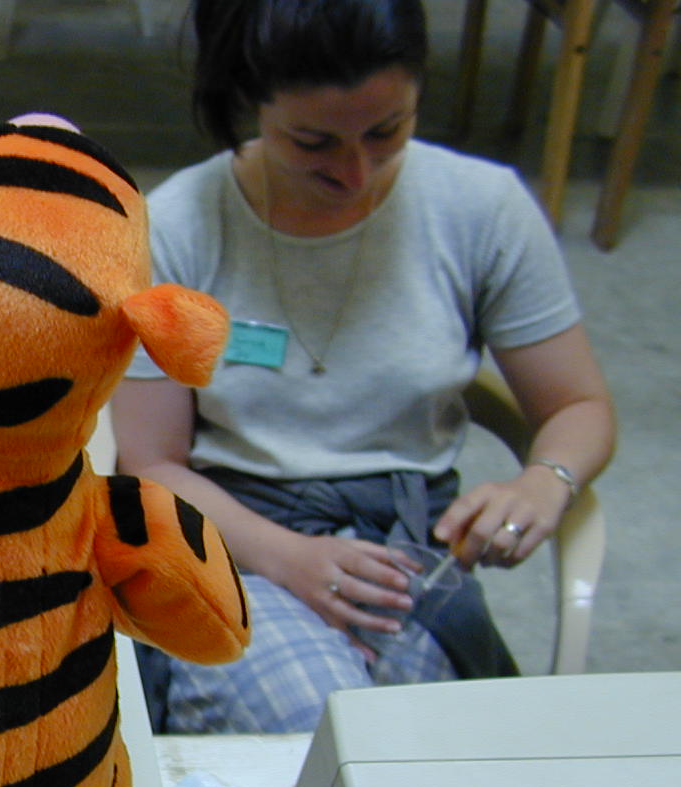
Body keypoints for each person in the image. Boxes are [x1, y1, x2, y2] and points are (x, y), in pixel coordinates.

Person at [111, 0, 616, 734]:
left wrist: (546, 480)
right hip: (237, 535)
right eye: (313, 142)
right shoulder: (180, 226)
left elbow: (578, 406)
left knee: (430, 749)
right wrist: (288, 558)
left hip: (406, 545)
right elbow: (151, 464)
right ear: (251, 101)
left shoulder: (480, 208)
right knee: (319, 726)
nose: (356, 172)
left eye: (387, 131)